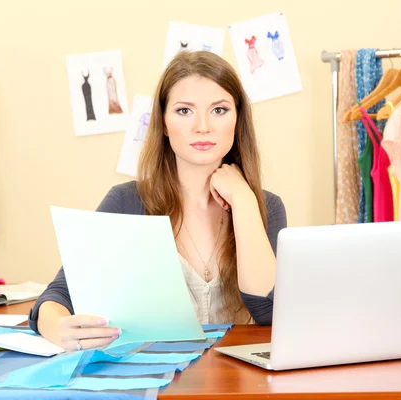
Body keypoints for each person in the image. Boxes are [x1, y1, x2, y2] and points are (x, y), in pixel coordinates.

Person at [29, 51, 287, 352]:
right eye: (184, 111)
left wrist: (243, 200)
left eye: (219, 110)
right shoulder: (126, 202)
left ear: (238, 119)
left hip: (236, 386)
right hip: (153, 384)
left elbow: (268, 312)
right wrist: (60, 328)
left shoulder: (265, 207)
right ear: (163, 123)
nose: (202, 126)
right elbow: (57, 297)